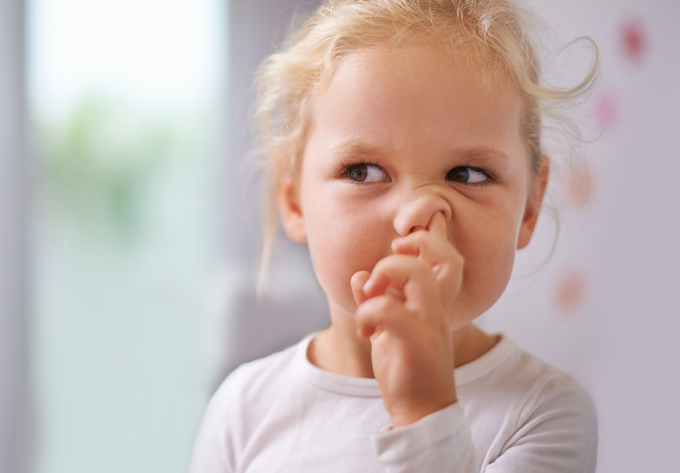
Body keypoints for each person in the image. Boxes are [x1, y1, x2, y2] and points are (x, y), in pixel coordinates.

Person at [191, 0, 599, 471]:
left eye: (466, 174)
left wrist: (425, 414)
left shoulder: (545, 412)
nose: (416, 214)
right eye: (363, 171)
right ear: (294, 201)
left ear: (529, 204)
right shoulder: (242, 410)